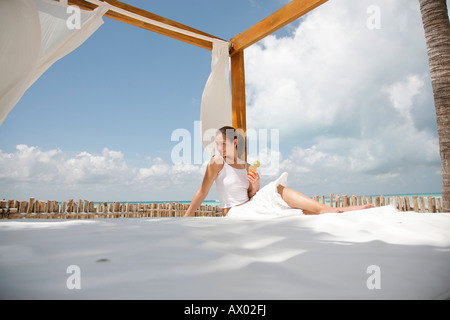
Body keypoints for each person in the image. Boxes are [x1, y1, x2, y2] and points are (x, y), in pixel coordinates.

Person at [184, 126, 373, 218]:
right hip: (234, 212)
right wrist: (186, 218)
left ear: (234, 142)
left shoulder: (247, 166)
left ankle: (333, 211)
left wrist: (255, 185)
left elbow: (250, 196)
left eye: (222, 143)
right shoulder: (217, 162)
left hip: (249, 205)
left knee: (281, 200)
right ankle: (329, 210)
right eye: (217, 144)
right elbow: (202, 191)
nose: (219, 148)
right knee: (279, 199)